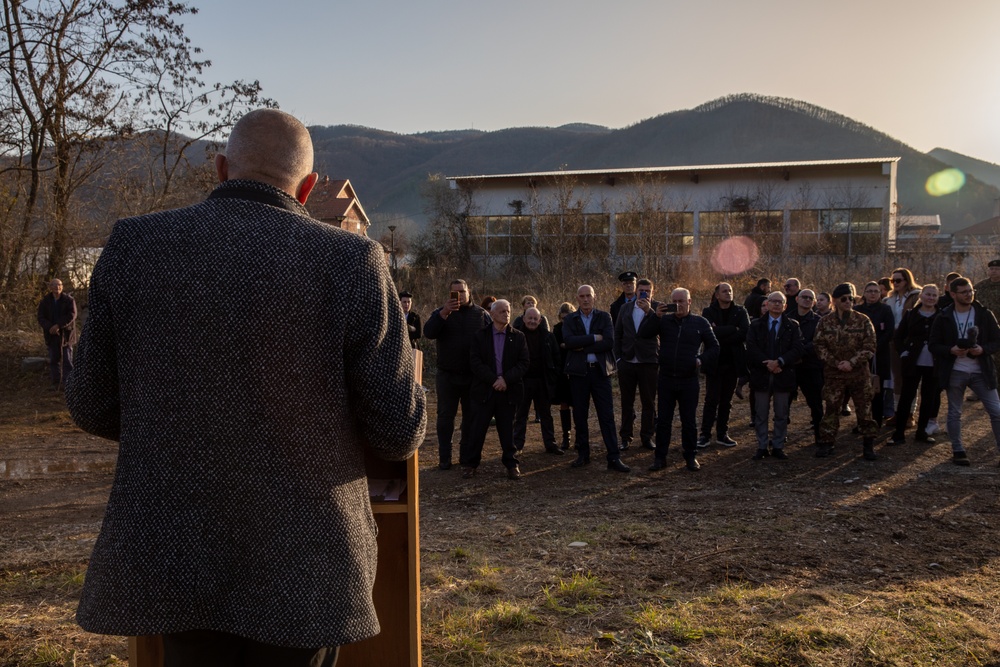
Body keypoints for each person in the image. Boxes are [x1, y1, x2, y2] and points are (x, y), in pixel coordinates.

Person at [64, 108, 427, 665]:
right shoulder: (352, 260)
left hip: (173, 546)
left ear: (220, 168)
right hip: (306, 558)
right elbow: (398, 432)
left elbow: (90, 403)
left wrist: (172, 428)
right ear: (307, 187)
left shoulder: (135, 245)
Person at [640, 287, 719, 472]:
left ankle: (690, 456)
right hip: (666, 378)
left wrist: (700, 360)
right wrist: (655, 317)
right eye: (674, 301)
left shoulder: (700, 322)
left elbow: (714, 347)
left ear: (689, 302)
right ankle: (660, 458)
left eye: (681, 301)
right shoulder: (665, 320)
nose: (677, 304)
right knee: (663, 421)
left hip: (689, 380)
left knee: (689, 421)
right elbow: (644, 334)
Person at [928, 277, 1000, 466]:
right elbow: (934, 344)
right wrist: (950, 350)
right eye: (964, 292)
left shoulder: (984, 314)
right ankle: (958, 450)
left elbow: (997, 340)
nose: (969, 295)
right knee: (954, 412)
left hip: (981, 370)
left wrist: (983, 350)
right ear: (953, 294)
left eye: (970, 291)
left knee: (996, 411)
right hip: (955, 370)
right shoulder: (943, 316)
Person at [424, 280, 493, 470]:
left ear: (469, 292)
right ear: (449, 294)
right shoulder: (441, 313)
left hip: (473, 376)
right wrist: (444, 314)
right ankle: (444, 457)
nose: (459, 296)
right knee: (445, 417)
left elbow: (491, 342)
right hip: (447, 375)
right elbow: (428, 333)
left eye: (462, 292)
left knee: (470, 417)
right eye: (455, 292)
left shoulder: (481, 315)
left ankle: (466, 455)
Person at [563, 285, 630, 472]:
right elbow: (568, 342)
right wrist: (594, 338)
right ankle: (583, 455)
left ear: (594, 297)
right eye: (582, 296)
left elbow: (609, 342)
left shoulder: (604, 317)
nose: (585, 299)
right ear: (577, 298)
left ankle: (614, 457)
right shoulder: (570, 318)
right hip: (578, 374)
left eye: (588, 296)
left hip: (600, 373)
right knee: (580, 416)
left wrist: (581, 345)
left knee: (606, 416)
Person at [464, 299, 530, 479]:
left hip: (508, 391)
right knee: (477, 429)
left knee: (507, 431)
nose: (506, 314)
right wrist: (494, 380)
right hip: (485, 389)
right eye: (502, 311)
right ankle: (471, 464)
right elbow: (475, 362)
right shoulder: (480, 336)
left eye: (508, 311)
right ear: (492, 314)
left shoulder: (518, 336)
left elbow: (523, 363)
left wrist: (505, 380)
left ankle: (511, 464)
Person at [813, 283, 879, 460]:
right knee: (832, 409)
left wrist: (852, 362)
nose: (848, 301)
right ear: (835, 301)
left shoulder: (863, 320)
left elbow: (870, 345)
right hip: (834, 375)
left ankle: (868, 444)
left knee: (864, 410)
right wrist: (836, 363)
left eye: (851, 298)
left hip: (858, 374)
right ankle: (827, 442)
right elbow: (819, 346)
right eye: (844, 299)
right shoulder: (825, 321)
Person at [745, 292, 803, 459]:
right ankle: (762, 446)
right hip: (761, 375)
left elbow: (798, 349)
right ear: (767, 304)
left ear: (785, 306)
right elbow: (751, 348)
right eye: (773, 301)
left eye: (780, 302)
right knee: (761, 413)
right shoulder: (755, 325)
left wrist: (779, 362)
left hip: (783, 374)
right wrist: (768, 363)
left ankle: (778, 445)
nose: (777, 304)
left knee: (781, 413)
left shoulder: (792, 326)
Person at [699, 282, 749, 448]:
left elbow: (744, 333)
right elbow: (708, 334)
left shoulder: (740, 311)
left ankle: (722, 434)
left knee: (726, 401)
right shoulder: (708, 312)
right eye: (725, 291)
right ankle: (705, 435)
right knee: (711, 399)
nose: (728, 293)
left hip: (733, 363)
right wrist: (732, 329)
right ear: (717, 295)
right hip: (715, 363)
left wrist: (719, 332)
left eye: (730, 291)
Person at [890, 284, 941, 445]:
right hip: (912, 362)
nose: (931, 298)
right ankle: (898, 433)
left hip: (933, 363)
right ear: (921, 296)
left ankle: (922, 432)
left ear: (937, 298)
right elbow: (898, 337)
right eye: (928, 294)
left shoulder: (942, 316)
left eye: (934, 295)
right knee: (907, 396)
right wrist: (904, 352)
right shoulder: (911, 314)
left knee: (929, 398)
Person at [614, 278, 660, 451]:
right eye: (641, 290)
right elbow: (618, 333)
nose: (644, 293)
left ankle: (647, 437)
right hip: (627, 361)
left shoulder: (657, 308)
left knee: (648, 402)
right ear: (636, 291)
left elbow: (661, 329)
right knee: (627, 401)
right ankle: (625, 437)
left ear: (652, 292)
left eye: (648, 291)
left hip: (648, 361)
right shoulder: (625, 308)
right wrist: (618, 358)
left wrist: (649, 311)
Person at [514, 307, 563, 456]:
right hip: (523, 381)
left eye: (535, 319)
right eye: (529, 318)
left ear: (540, 320)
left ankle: (550, 444)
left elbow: (557, 358)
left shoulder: (548, 336)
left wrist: (553, 377)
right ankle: (517, 445)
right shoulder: (515, 336)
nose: (532, 321)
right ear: (524, 318)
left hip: (543, 381)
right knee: (521, 415)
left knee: (546, 415)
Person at [854, 281, 895, 428]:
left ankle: (876, 420)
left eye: (876, 291)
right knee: (860, 391)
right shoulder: (856, 310)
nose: (872, 294)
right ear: (864, 293)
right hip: (859, 356)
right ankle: (861, 421)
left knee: (877, 390)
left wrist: (873, 347)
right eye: (869, 291)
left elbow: (889, 332)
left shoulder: (885, 309)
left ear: (880, 294)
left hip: (880, 355)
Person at [787, 289, 824, 444]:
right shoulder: (787, 318)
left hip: (811, 367)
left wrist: (798, 351)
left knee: (815, 404)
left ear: (814, 302)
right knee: (784, 403)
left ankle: (820, 436)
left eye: (810, 298)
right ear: (797, 299)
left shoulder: (819, 321)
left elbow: (817, 343)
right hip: (790, 367)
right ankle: (780, 436)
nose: (807, 300)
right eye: (804, 297)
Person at [885, 267, 921, 424]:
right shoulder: (890, 299)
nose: (895, 283)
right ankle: (898, 411)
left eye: (898, 280)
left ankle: (910, 413)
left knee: (911, 378)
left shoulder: (916, 297)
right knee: (897, 378)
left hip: (911, 341)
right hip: (894, 341)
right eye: (892, 281)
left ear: (907, 280)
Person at [37, 278, 77, 388]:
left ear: (62, 287)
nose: (57, 287)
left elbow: (72, 315)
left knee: (67, 360)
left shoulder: (69, 300)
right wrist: (50, 327)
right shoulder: (45, 301)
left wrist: (58, 325)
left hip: (66, 335)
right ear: (50, 287)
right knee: (54, 360)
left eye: (59, 285)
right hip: (51, 335)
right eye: (54, 285)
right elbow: (41, 317)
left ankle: (68, 384)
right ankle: (56, 383)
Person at [552, 302, 577, 450]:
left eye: (567, 318)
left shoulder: (577, 328)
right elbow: (557, 348)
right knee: (564, 403)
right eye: (562, 318)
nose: (564, 321)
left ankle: (580, 435)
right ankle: (566, 436)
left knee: (578, 404)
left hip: (577, 369)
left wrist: (568, 345)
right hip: (562, 370)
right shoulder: (557, 329)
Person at [974, 259, 1000, 384]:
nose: (994, 271)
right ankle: (981, 389)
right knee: (983, 361)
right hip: (984, 329)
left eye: (997, 269)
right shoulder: (980, 287)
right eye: (992, 269)